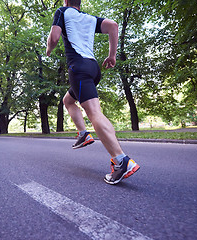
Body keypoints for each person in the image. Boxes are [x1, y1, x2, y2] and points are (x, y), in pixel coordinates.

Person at [46, 0, 140, 185]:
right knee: (68, 101)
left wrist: (48, 48)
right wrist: (112, 55)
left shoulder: (62, 11)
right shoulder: (88, 19)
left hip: (78, 67)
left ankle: (121, 160)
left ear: (66, 1)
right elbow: (113, 26)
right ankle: (83, 134)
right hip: (92, 68)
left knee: (94, 113)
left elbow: (55, 37)